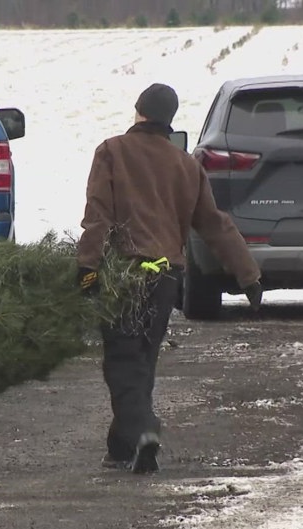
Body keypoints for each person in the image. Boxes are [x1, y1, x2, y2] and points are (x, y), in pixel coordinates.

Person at [75, 82, 263, 475]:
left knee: (123, 360)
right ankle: (123, 445)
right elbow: (214, 224)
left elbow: (98, 215)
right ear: (169, 119)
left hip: (126, 273)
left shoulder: (112, 151)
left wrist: (87, 271)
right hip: (165, 278)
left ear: (139, 110)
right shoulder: (186, 165)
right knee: (142, 359)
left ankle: (144, 432)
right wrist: (249, 276)